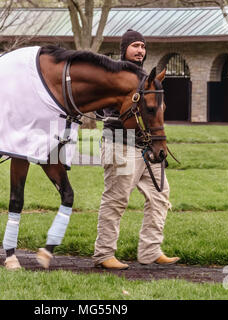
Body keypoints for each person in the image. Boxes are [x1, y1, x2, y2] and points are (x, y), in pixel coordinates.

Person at [93, 29, 180, 269]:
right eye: (135, 46)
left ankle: (150, 251)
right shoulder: (114, 75)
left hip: (148, 148)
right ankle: (104, 254)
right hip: (119, 144)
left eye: (143, 46)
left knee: (160, 196)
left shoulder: (147, 79)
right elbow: (99, 110)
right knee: (117, 199)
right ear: (125, 49)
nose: (140, 50)